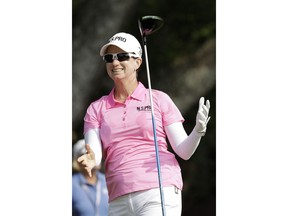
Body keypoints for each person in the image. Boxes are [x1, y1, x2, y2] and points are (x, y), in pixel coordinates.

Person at [77, 32, 211, 216]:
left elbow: (183, 151)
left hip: (158, 189)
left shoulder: (158, 99)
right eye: (109, 58)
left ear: (138, 62)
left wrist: (197, 131)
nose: (114, 62)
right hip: (118, 197)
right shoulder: (96, 108)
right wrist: (91, 159)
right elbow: (95, 153)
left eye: (122, 56)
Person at [72, 139, 109, 216]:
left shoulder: (108, 181)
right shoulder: (72, 184)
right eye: (89, 155)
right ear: (79, 160)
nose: (95, 157)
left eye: (96, 153)